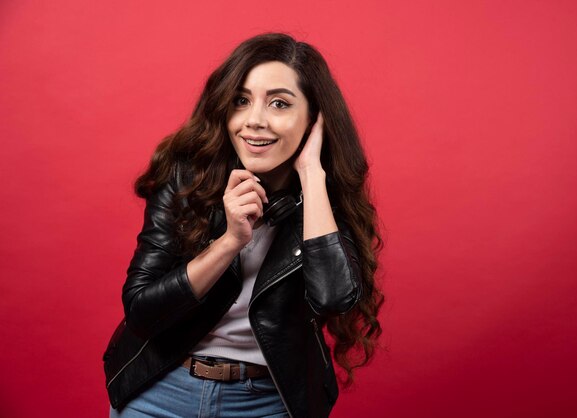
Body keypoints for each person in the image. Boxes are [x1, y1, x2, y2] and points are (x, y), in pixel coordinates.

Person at [103, 32, 383, 418]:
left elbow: (334, 298)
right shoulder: (186, 176)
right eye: (241, 101)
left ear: (314, 119)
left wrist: (312, 176)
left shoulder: (324, 199)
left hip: (267, 402)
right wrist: (230, 241)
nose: (254, 121)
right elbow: (142, 311)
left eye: (279, 104)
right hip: (160, 393)